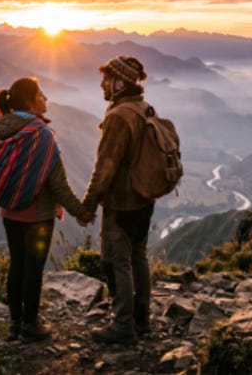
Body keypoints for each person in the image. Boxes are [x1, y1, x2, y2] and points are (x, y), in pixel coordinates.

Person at [0, 77, 87, 343]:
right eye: (41, 95)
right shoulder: (42, 135)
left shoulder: (2, 128)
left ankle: (14, 324)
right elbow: (58, 185)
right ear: (30, 102)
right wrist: (80, 210)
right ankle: (31, 325)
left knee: (17, 266)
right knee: (33, 270)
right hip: (38, 216)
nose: (46, 99)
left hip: (10, 212)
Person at [80, 55, 154, 345]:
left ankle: (123, 325)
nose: (102, 84)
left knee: (116, 262)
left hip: (121, 202)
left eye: (106, 79)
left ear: (119, 82)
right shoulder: (143, 108)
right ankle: (142, 320)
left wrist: (88, 205)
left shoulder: (118, 117)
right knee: (138, 257)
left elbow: (105, 167)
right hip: (144, 199)